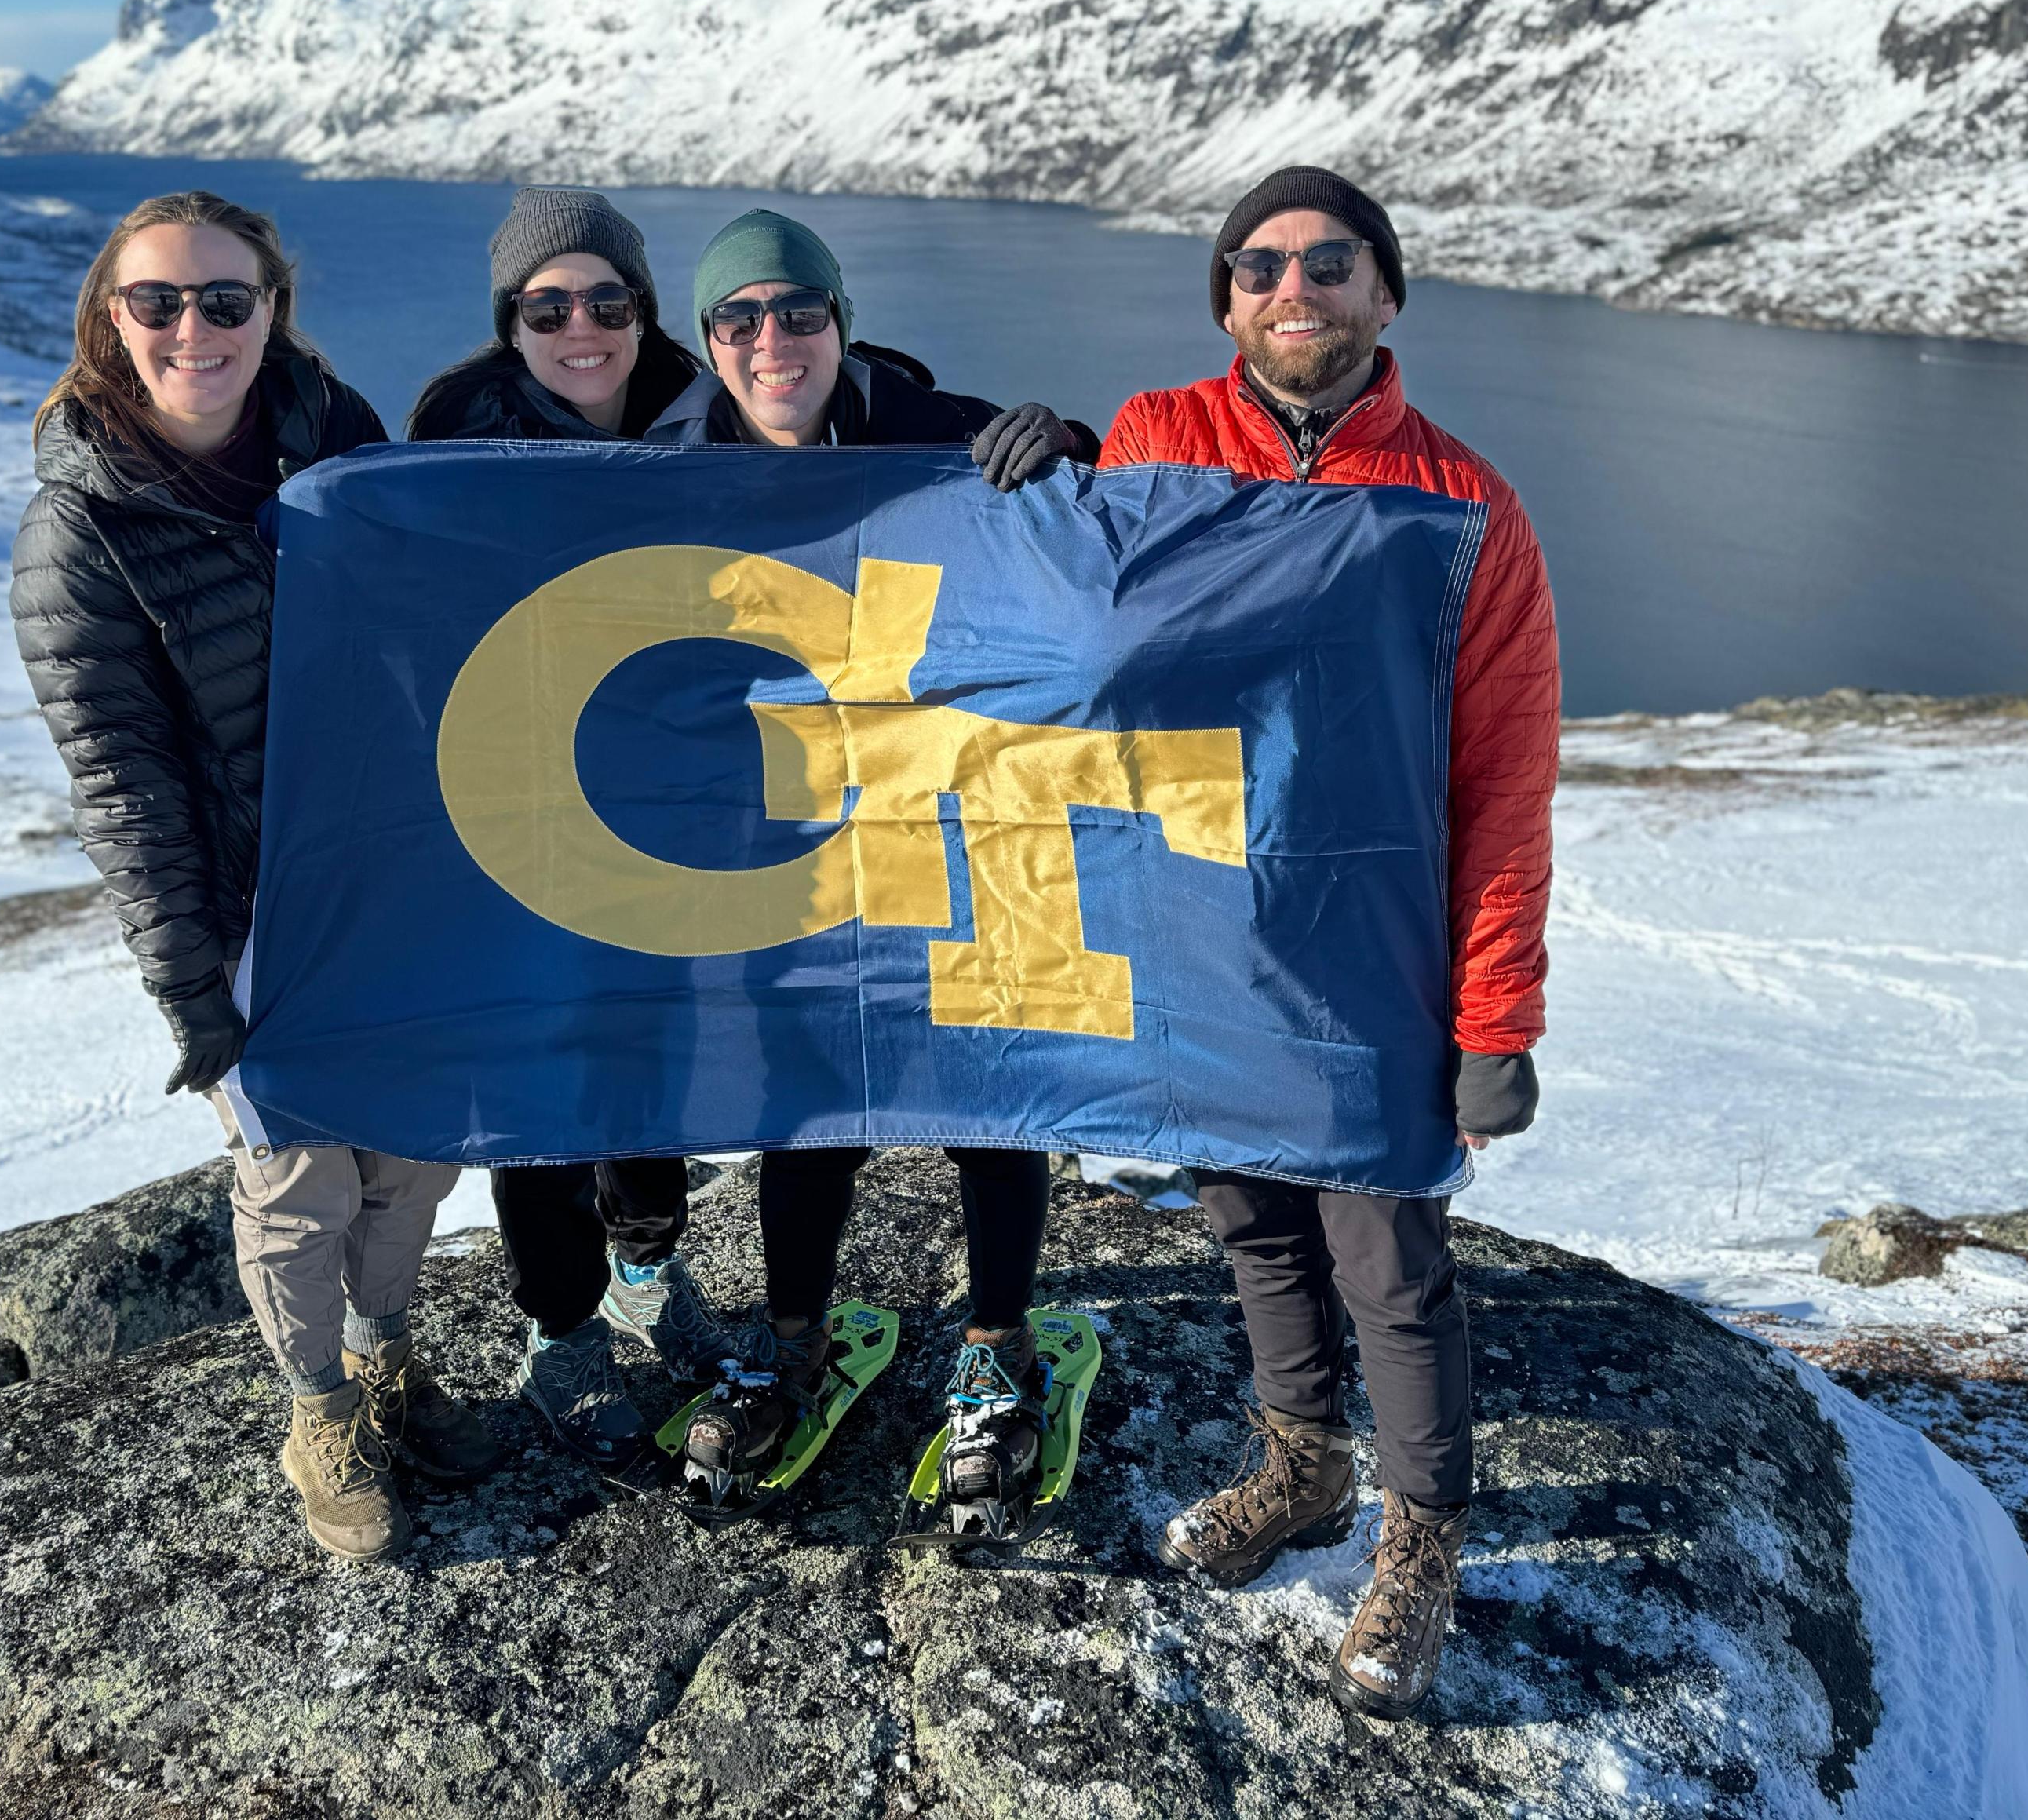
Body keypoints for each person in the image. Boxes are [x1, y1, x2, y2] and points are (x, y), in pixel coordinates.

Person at [1097, 166, 1558, 1720]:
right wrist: (1017, 480)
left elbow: (1500, 779)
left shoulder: (1464, 504)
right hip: (1199, 924)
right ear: (1227, 300)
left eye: (1330, 261)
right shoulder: (1152, 442)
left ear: (1384, 292)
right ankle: (1300, 1462)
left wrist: (1494, 1018)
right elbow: (1068, 639)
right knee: (1247, 1218)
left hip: (1372, 943)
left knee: (1384, 1252)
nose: (1294, 287)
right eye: (1258, 264)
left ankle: (1419, 1536)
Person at [11, 189, 502, 1565]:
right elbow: (125, 787)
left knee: (409, 1158)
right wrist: (194, 989)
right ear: (110, 321)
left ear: (274, 307)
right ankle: (318, 1409)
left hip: (397, 884)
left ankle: (390, 1355)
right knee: (301, 1184)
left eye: (225, 300)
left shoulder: (336, 441)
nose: (193, 329)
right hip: (250, 916)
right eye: (156, 303)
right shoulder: (82, 532)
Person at [642, 208, 1088, 1514]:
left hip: (952, 808)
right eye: (739, 320)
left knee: (981, 1076)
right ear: (709, 341)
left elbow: (1088, 535)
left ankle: (998, 1348)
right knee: (808, 1090)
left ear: (840, 320)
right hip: (787, 828)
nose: (772, 341)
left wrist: (1070, 446)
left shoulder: (937, 425)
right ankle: (793, 1338)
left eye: (798, 313)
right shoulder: (665, 468)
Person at [405, 188, 746, 1472]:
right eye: (547, 308)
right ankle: (560, 1335)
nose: (581, 327)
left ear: (644, 310)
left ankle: (646, 1272)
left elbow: (876, 422)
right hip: (518, 799)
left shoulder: (712, 408)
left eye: (608, 300)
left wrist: (1033, 439)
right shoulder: (456, 427)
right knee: (542, 1079)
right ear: (511, 324)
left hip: (671, 792)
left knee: (659, 1053)